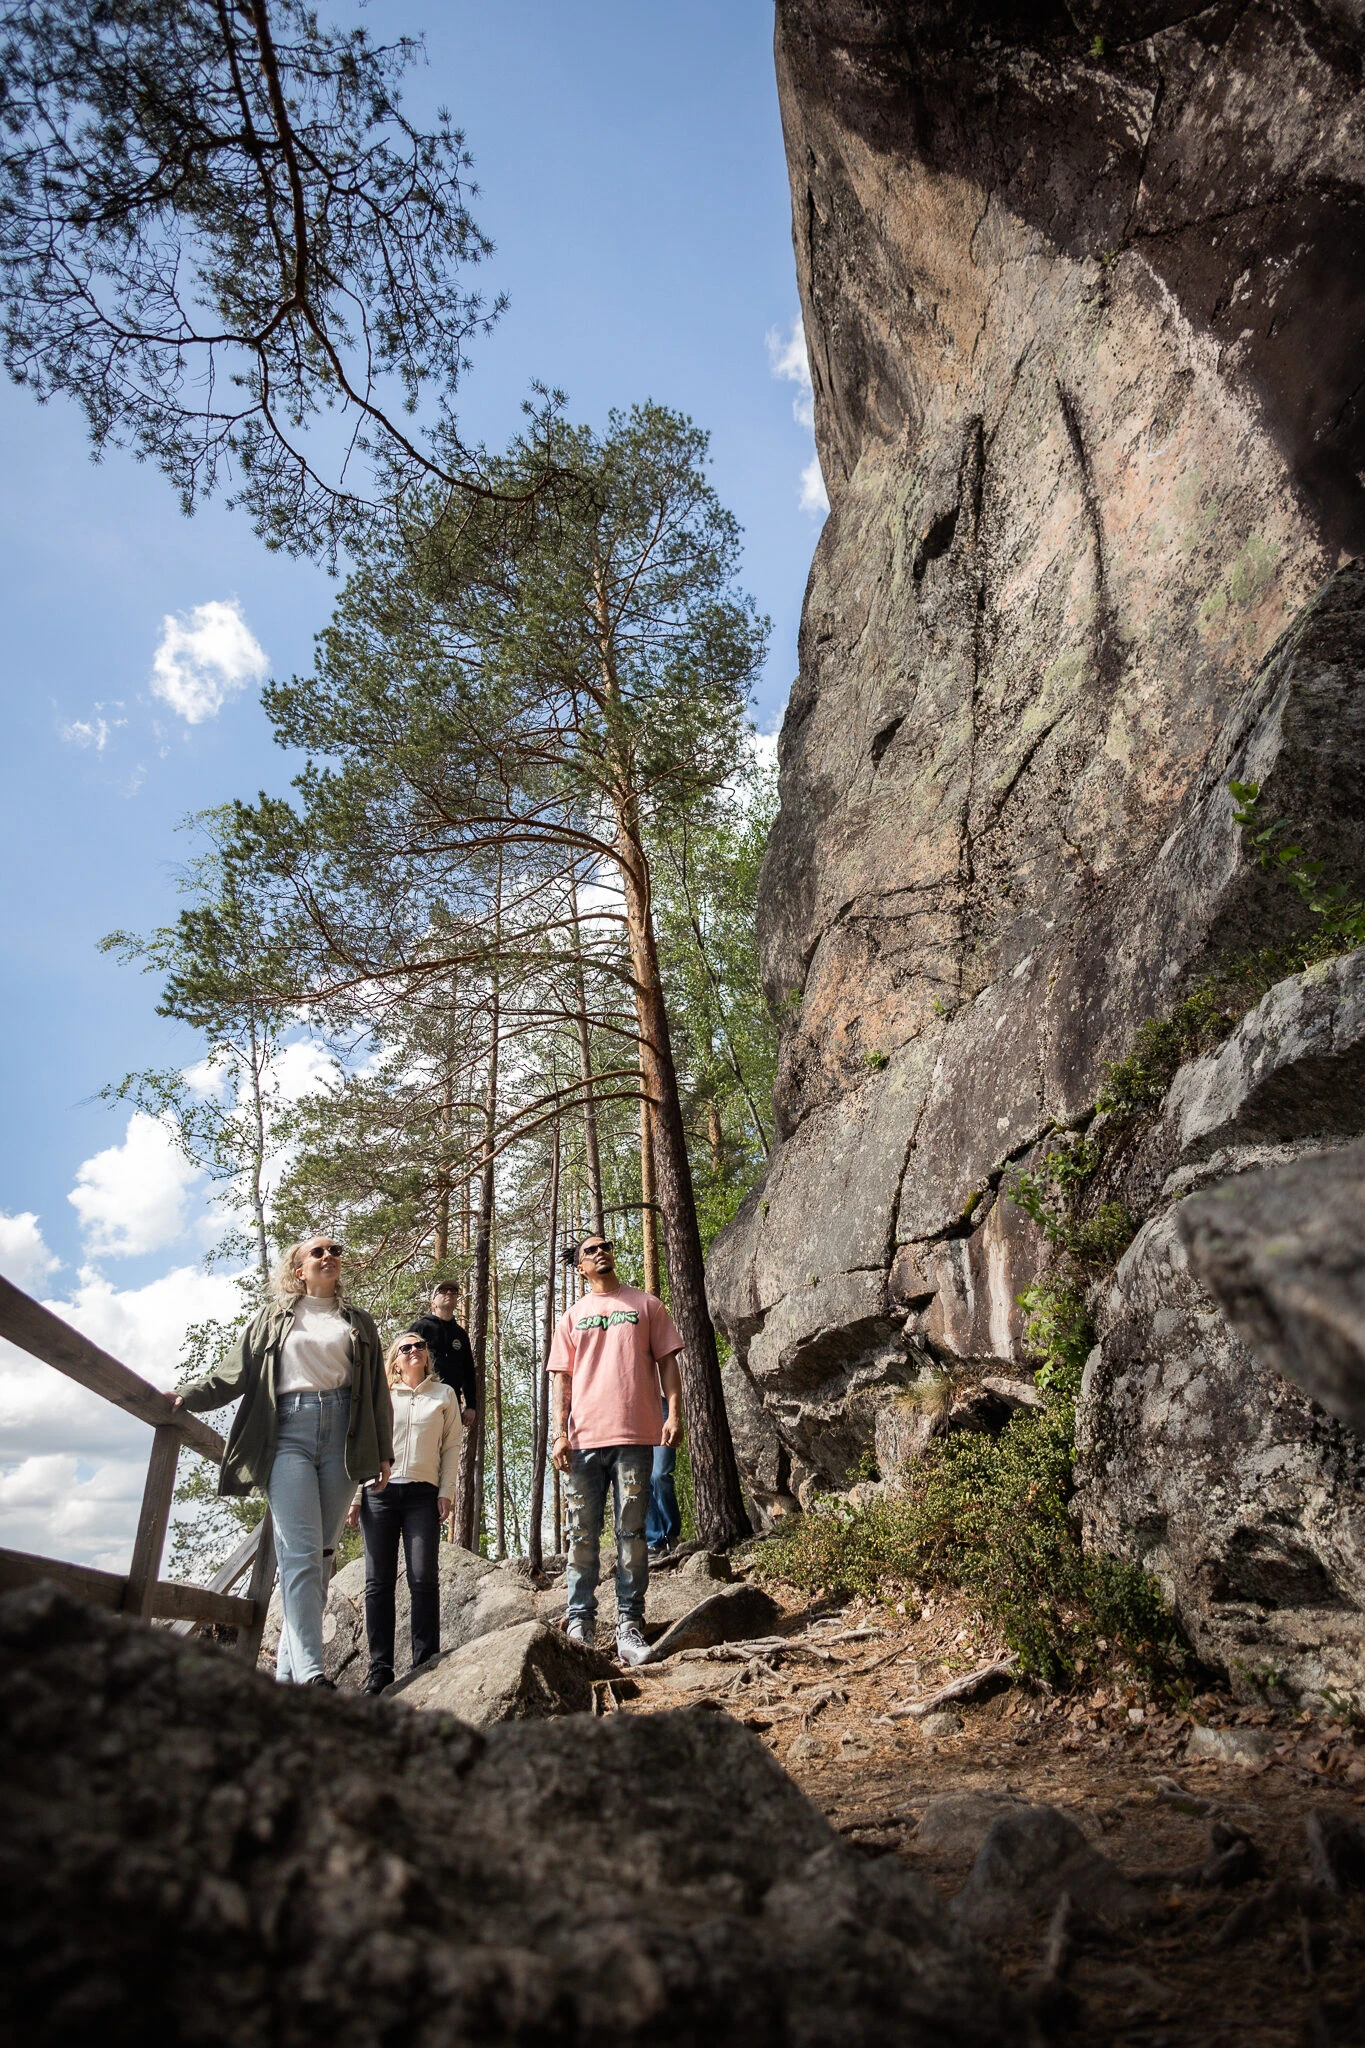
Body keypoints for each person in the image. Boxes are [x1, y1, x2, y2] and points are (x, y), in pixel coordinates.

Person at [173, 1234, 392, 1688]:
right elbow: (231, 1375)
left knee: (321, 1556)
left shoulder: (358, 1322)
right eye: (318, 1252)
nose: (329, 1256)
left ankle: (290, 1678)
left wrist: (384, 1452)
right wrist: (186, 1395)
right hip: (287, 1433)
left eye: (335, 1250)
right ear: (298, 1270)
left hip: (344, 1438)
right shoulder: (272, 1318)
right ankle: (313, 1672)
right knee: (301, 1552)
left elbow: (377, 1392)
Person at [548, 1234, 684, 1668]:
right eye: (590, 1250)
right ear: (580, 1268)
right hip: (584, 1441)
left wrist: (674, 1414)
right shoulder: (572, 1316)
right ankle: (580, 1625)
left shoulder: (647, 1305)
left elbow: (668, 1362)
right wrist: (559, 1434)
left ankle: (629, 1625)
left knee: (631, 1533)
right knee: (582, 1535)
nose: (600, 1251)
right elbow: (562, 1378)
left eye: (605, 1246)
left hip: (634, 1436)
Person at [346, 1330, 461, 1695]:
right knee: (378, 1582)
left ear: (427, 1355)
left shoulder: (444, 1395)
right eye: (406, 1347)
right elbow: (363, 1445)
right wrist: (355, 1496)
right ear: (395, 1360)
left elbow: (451, 1447)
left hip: (422, 1496)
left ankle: (425, 1661)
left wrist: (446, 1492)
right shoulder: (382, 1395)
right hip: (378, 1492)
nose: (414, 1350)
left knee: (423, 1577)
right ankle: (380, 1670)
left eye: (420, 1346)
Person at [413, 1280, 477, 1428]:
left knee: (451, 1442)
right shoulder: (420, 1328)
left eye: (453, 1291)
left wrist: (471, 1405)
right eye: (443, 1291)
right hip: (424, 1399)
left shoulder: (460, 1334)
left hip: (452, 1402)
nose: (449, 1293)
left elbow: (468, 1372)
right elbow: (402, 1360)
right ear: (433, 1303)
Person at [646, 1405, 682, 1559]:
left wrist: (674, 1416)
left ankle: (671, 1535)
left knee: (659, 1475)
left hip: (660, 1409)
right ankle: (654, 1541)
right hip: (630, 1415)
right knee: (640, 1479)